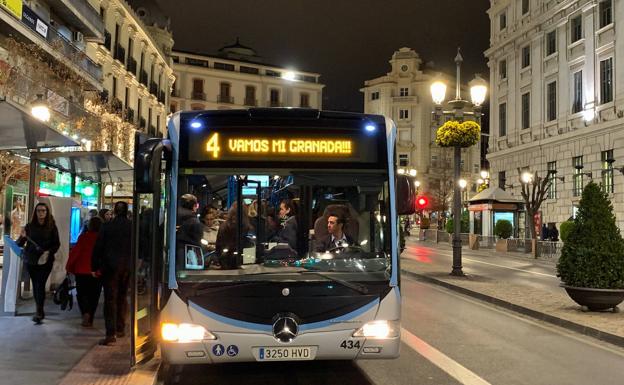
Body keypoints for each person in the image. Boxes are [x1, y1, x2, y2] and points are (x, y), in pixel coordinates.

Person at [92, 201, 132, 345]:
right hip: (127, 267)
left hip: (109, 268)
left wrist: (94, 266)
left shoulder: (107, 226)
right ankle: (120, 328)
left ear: (115, 211)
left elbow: (98, 247)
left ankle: (111, 334)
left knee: (110, 300)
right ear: (126, 211)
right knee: (122, 297)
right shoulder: (132, 227)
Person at [16, 202, 60, 325]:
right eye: (39, 211)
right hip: (32, 260)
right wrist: (22, 236)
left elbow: (56, 244)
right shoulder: (29, 226)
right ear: (35, 212)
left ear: (47, 212)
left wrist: (49, 252)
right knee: (36, 285)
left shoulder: (52, 227)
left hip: (46, 261)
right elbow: (19, 243)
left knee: (40, 284)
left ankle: (39, 311)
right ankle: (39, 309)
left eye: (43, 211)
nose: (41, 213)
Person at [66, 217, 102, 327]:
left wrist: (69, 267)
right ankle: (90, 316)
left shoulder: (83, 238)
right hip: (97, 272)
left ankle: (85, 312)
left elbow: (75, 253)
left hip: (82, 270)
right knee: (94, 296)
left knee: (82, 294)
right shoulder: (102, 239)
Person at [215, 202, 251, 269]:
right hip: (241, 261)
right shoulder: (246, 226)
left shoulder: (224, 227)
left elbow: (219, 247)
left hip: (227, 260)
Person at [176, 194, 204, 268]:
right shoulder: (194, 220)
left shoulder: (173, 215)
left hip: (174, 250)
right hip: (189, 252)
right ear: (194, 205)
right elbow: (198, 237)